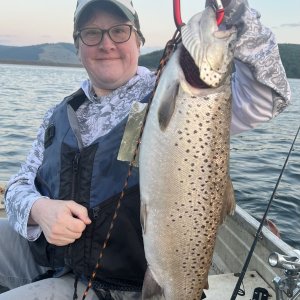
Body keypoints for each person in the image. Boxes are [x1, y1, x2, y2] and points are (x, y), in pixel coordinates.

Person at [0, 0, 291, 299]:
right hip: (52, 255)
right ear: (77, 46)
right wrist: (39, 210)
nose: (106, 44)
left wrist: (235, 12)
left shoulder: (186, 99)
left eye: (119, 31)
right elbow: (19, 184)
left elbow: (268, 94)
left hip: (116, 285)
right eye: (91, 34)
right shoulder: (59, 113)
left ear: (138, 40)